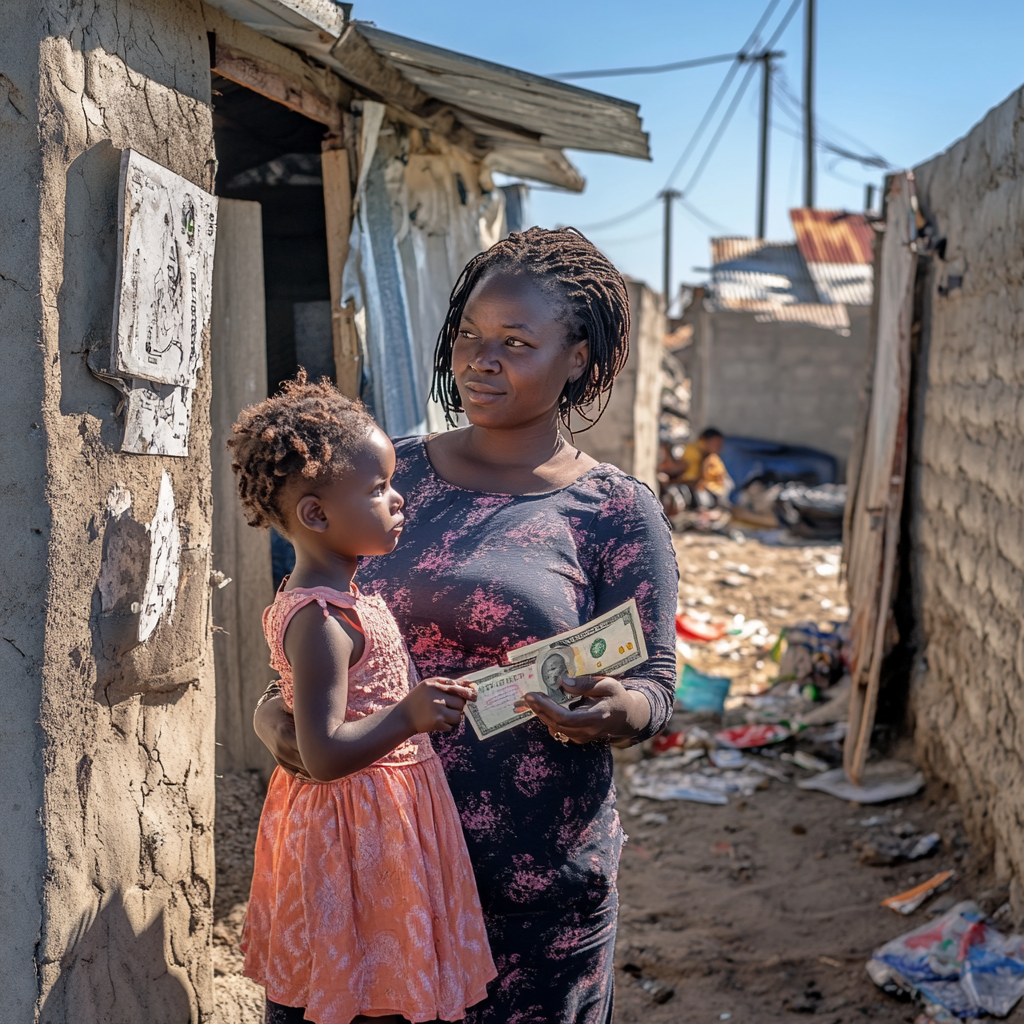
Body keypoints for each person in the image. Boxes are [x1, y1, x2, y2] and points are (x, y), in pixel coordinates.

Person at [254, 227, 679, 1023]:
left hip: (529, 887)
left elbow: (655, 681)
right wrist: (271, 711)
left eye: (516, 343)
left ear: (578, 358)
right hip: (367, 874)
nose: (482, 361)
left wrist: (615, 712)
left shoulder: (616, 511)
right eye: (471, 337)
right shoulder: (384, 473)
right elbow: (311, 621)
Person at [229, 375, 496, 1024]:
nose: (399, 499)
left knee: (382, 978)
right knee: (358, 988)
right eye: (378, 490)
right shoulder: (320, 619)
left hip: (379, 824)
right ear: (315, 514)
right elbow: (321, 754)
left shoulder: (345, 599)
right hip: (352, 832)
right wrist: (408, 714)